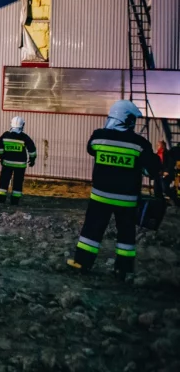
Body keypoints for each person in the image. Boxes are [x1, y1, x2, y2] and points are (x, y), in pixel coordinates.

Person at [67, 100, 164, 280]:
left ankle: (82, 263)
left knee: (91, 230)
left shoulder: (98, 137)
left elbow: (91, 149)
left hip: (100, 197)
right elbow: (152, 169)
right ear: (128, 120)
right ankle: (123, 270)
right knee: (126, 234)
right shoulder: (139, 143)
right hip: (126, 200)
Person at [0, 117, 37, 205]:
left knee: (4, 180)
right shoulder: (24, 137)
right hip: (20, 165)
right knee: (18, 182)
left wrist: (2, 157)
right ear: (22, 125)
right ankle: (15, 201)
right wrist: (32, 159)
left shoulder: (5, 135)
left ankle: (1, 198)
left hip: (7, 163)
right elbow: (32, 149)